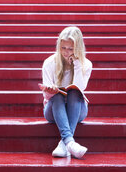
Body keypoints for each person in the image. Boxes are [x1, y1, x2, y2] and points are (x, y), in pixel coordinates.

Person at [39, 26, 92, 159]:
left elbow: (80, 88)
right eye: (63, 48)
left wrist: (77, 63)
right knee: (57, 96)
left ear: (78, 48)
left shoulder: (86, 64)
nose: (66, 52)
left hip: (77, 108)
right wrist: (50, 91)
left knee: (74, 92)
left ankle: (65, 143)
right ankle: (69, 142)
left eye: (70, 49)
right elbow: (46, 96)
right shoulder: (49, 62)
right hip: (53, 109)